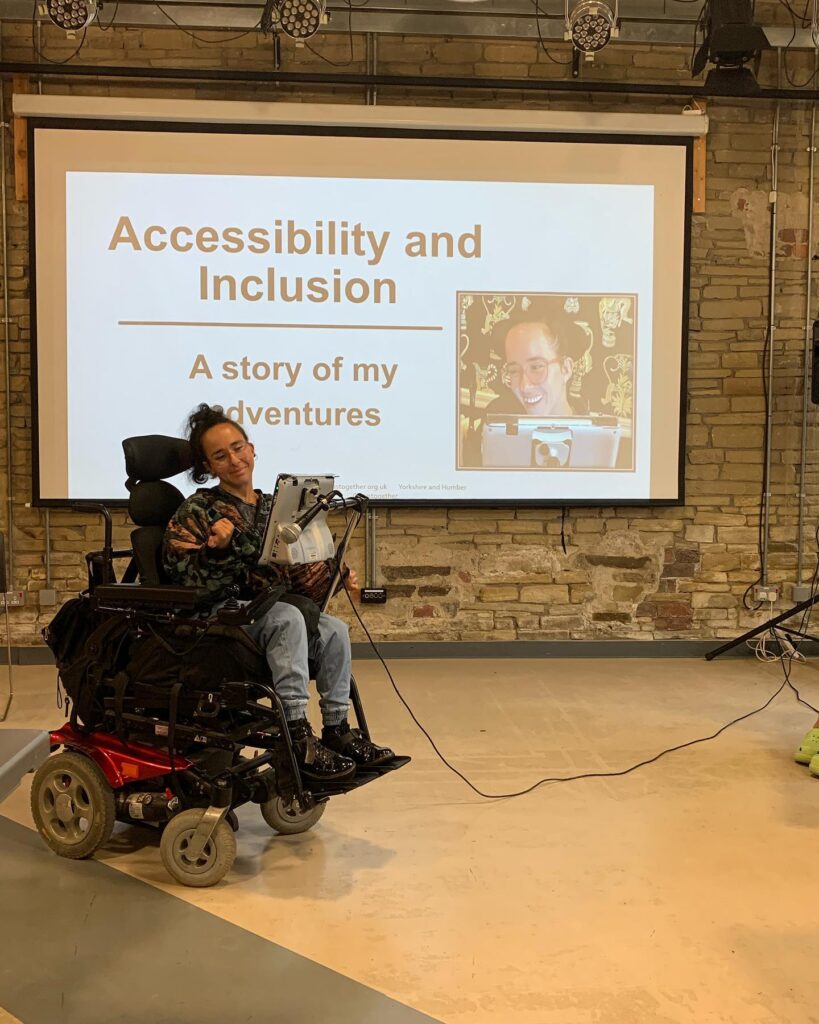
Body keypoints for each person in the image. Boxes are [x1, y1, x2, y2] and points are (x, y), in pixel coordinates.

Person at [163, 403, 393, 782]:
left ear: (252, 449)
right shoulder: (197, 511)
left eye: (239, 447)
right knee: (287, 618)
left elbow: (302, 569)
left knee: (334, 629)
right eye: (221, 455)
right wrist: (217, 550)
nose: (235, 459)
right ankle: (297, 735)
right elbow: (185, 581)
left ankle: (337, 729)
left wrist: (338, 575)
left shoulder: (277, 509)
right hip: (221, 617)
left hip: (266, 611)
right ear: (207, 468)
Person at [484, 320, 576, 418]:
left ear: (566, 369)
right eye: (514, 371)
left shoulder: (593, 430)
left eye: (536, 367)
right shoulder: (494, 423)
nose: (525, 387)